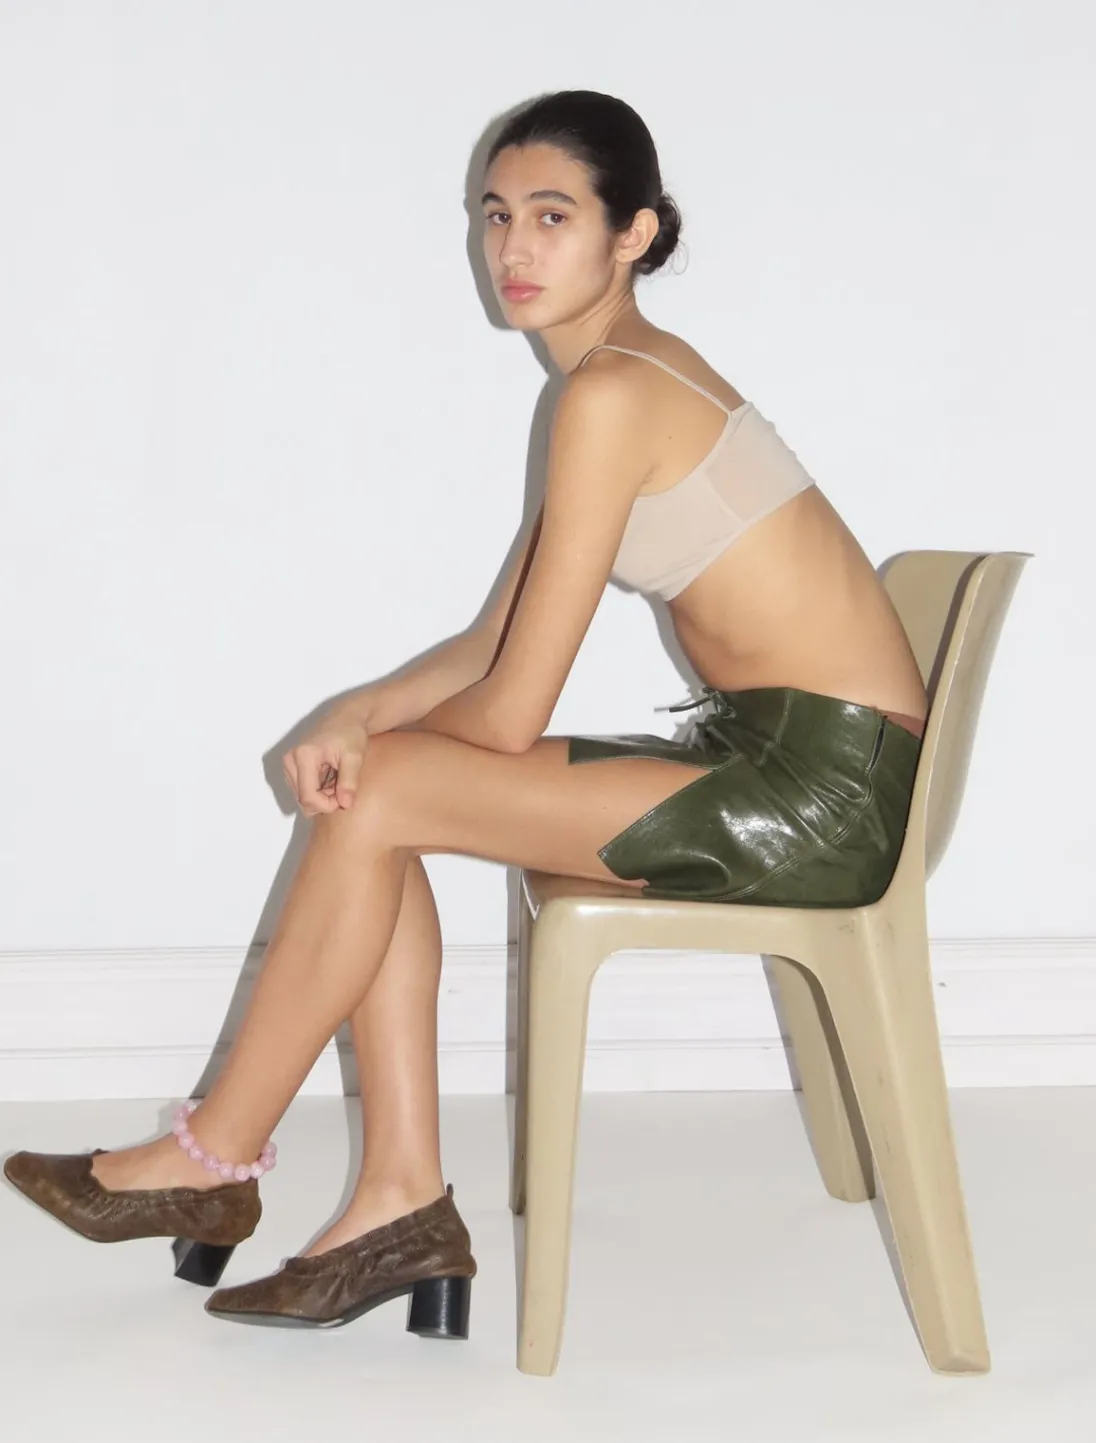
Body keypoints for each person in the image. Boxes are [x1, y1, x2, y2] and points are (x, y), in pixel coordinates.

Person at [3, 90, 927, 1339]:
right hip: (777, 761)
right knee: (376, 795)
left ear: (634, 234)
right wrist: (355, 714)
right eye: (494, 217)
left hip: (817, 798)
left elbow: (509, 710)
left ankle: (215, 1162)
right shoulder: (614, 380)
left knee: (381, 793)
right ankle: (390, 1201)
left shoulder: (612, 396)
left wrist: (373, 753)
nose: (513, 249)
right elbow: (496, 637)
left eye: (552, 216)